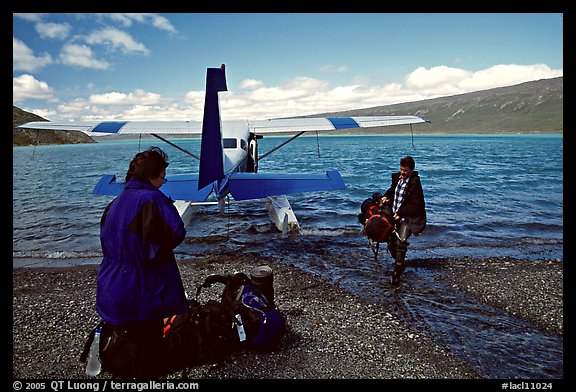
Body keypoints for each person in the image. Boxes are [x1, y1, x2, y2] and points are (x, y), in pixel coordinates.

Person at [95, 146, 189, 376]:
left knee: (129, 345)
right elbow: (176, 232)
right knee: (150, 351)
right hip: (141, 291)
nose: (163, 181)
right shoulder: (152, 199)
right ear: (152, 175)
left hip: (110, 285)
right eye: (162, 176)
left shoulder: (116, 202)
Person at [380, 156, 427, 287]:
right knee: (391, 244)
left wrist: (400, 213)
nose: (402, 172)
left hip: (408, 218)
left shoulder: (415, 184)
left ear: (411, 170)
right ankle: (400, 263)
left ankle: (397, 273)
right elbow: (392, 190)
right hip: (394, 215)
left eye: (405, 170)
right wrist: (385, 196)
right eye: (401, 169)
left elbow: (416, 205)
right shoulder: (397, 179)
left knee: (400, 243)